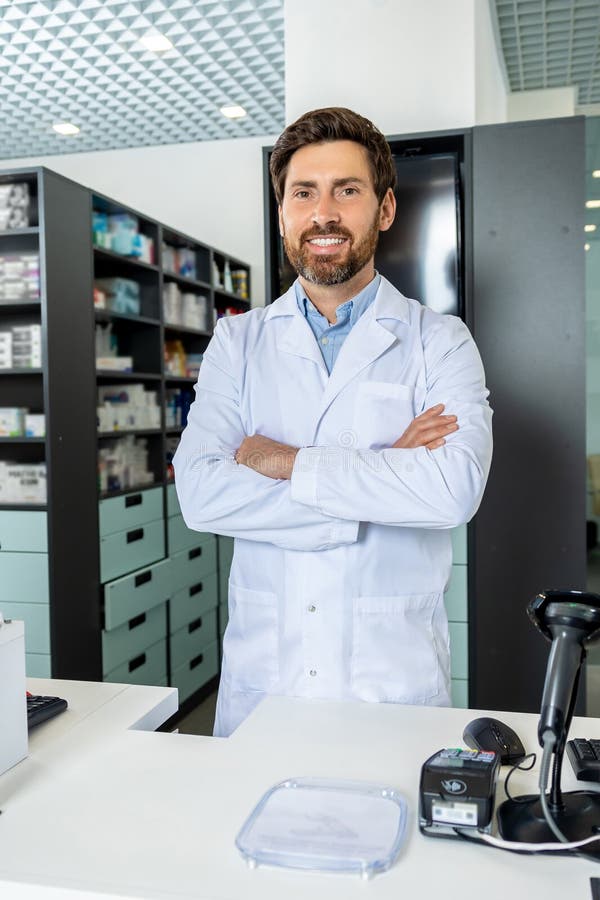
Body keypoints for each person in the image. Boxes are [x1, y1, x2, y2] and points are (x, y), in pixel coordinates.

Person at [174, 107, 493, 738]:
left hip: (391, 683)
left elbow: (452, 491)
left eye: (347, 190)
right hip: (268, 679)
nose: (325, 213)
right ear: (284, 212)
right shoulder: (237, 342)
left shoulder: (440, 341)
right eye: (304, 193)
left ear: (385, 209)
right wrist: (387, 470)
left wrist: (287, 462)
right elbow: (201, 495)